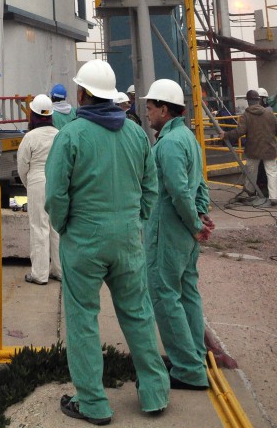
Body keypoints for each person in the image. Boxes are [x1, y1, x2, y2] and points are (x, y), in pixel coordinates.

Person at [46, 60, 169, 425]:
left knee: (83, 319)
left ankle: (94, 404)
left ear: (82, 94)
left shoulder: (71, 135)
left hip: (84, 239)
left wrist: (65, 226)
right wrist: (137, 220)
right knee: (138, 314)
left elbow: (55, 196)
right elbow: (151, 187)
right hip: (128, 238)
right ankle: (155, 392)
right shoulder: (135, 134)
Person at [143, 78, 214, 391]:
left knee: (164, 293)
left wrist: (196, 225)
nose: (146, 112)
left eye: (149, 107)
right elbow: (199, 187)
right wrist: (200, 216)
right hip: (185, 233)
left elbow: (178, 192)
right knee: (187, 293)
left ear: (163, 108)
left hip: (169, 232)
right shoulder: (187, 137)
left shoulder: (169, 144)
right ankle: (195, 355)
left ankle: (187, 369)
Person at [16, 94, 60, 285]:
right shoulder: (59, 134)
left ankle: (39, 274)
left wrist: (29, 185)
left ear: (33, 114)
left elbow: (22, 166)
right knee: (56, 228)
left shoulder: (30, 137)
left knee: (39, 227)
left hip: (36, 180)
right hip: (56, 182)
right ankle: (59, 270)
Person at [223, 88, 277, 204]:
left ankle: (250, 192)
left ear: (248, 101)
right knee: (272, 172)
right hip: (270, 149)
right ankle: (274, 197)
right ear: (259, 100)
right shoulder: (269, 113)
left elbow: (239, 131)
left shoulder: (246, 115)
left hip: (253, 150)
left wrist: (226, 135)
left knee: (251, 171)